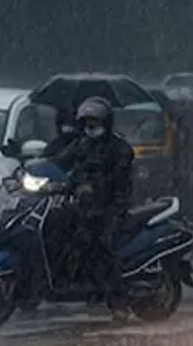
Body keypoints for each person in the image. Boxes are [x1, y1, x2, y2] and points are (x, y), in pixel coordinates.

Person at [55, 97, 134, 321]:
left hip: (112, 207)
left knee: (104, 245)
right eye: (87, 122)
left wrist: (91, 189)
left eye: (95, 121)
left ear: (106, 122)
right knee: (58, 229)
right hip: (83, 206)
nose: (91, 126)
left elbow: (116, 183)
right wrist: (32, 162)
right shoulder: (81, 144)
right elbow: (60, 162)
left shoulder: (119, 149)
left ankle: (118, 302)